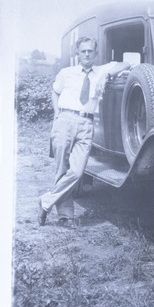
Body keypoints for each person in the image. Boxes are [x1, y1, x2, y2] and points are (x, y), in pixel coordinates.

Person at [38, 36, 130, 228]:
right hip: (65, 120)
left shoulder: (101, 70)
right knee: (62, 169)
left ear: (95, 53)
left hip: (87, 124)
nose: (87, 54)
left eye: (90, 51)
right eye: (83, 51)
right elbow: (55, 91)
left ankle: (46, 201)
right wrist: (57, 113)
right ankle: (65, 216)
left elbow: (125, 63)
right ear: (77, 53)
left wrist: (107, 75)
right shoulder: (66, 73)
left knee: (78, 171)